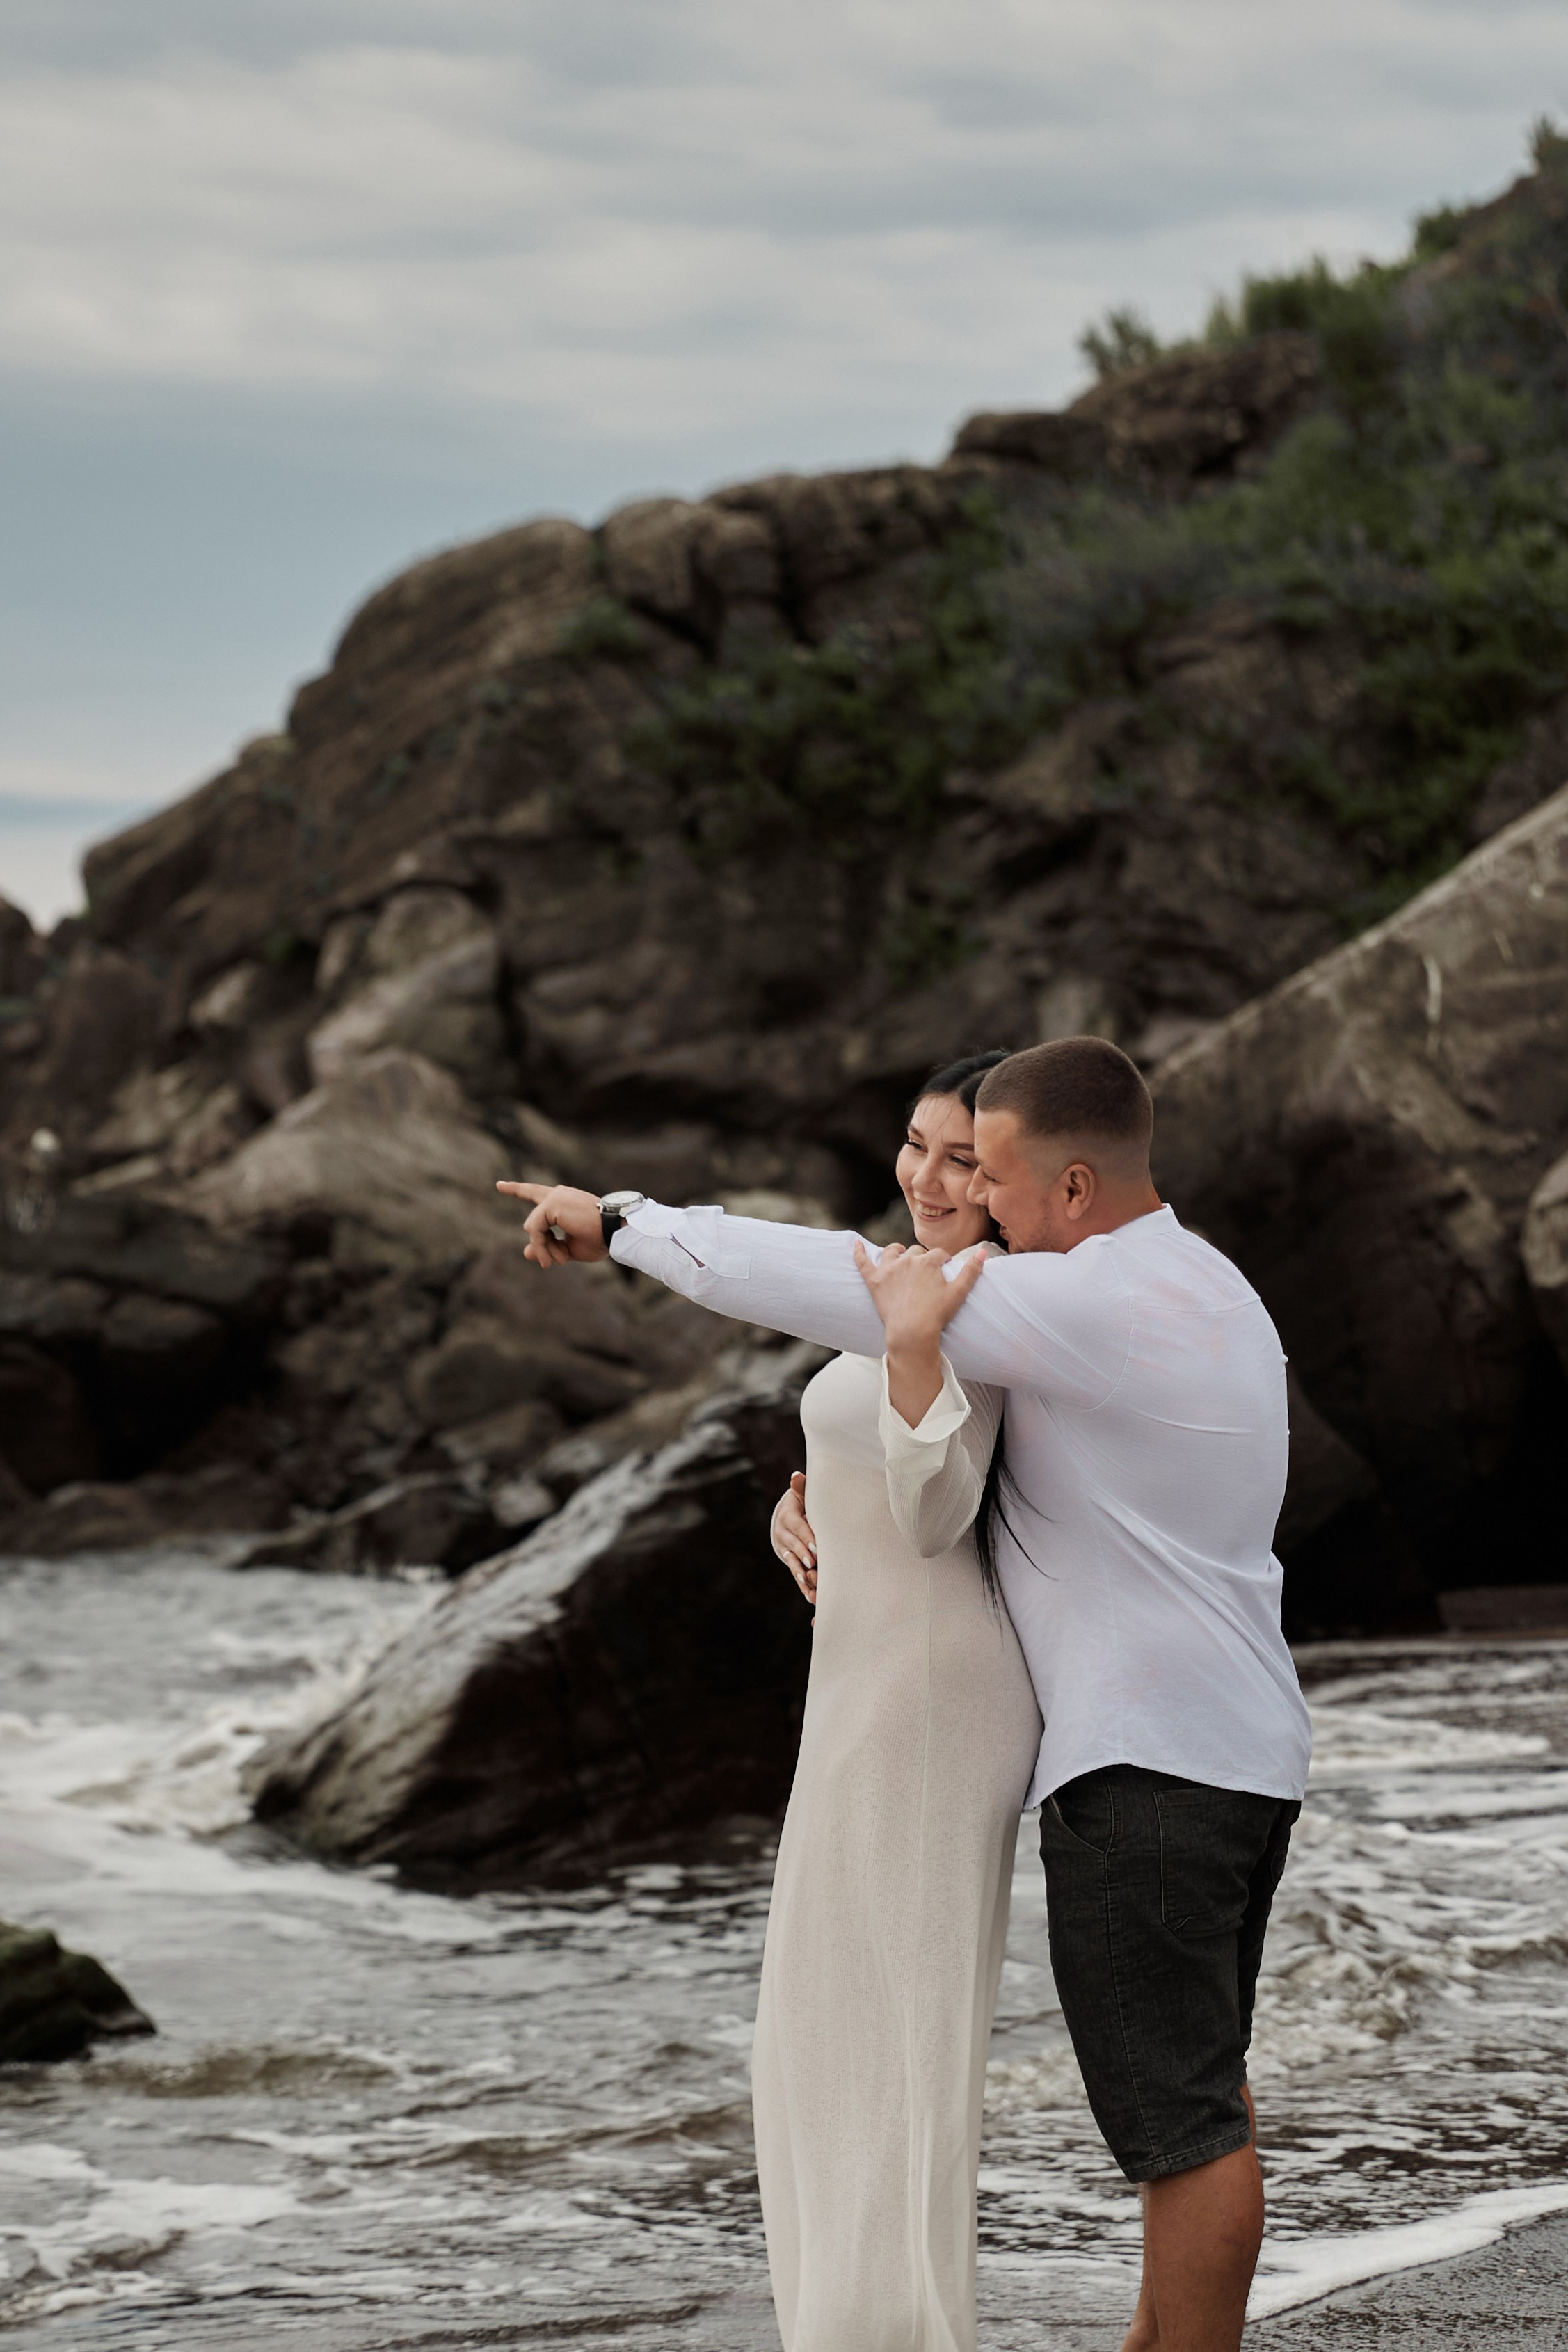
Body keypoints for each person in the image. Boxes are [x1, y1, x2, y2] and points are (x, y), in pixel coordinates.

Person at [500, 1035, 1312, 2352]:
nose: (971, 1199)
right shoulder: (1212, 1286)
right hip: (1245, 1746)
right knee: (1195, 2098)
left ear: (1072, 1184)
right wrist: (818, 1498)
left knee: (1180, 2127)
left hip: (1145, 1764)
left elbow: (848, 1282)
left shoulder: (1082, 1303)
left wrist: (627, 1223)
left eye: (991, 1173)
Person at [527, 1053, 1040, 2352]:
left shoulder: (982, 1303)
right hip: (869, 1674)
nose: (929, 1176)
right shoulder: (915, 1286)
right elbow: (862, 1431)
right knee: (818, 2040)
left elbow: (939, 1510)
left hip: (932, 1692)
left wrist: (913, 1357)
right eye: (918, 1145)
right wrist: (801, 1502)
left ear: (1012, 1181)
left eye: (964, 1159)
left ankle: (893, 2333)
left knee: (887, 2043)